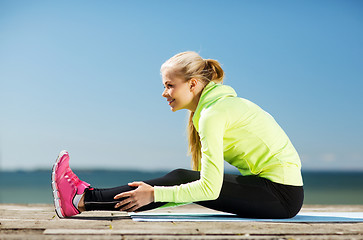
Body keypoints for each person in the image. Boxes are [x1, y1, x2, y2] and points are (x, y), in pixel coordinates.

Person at [51, 51, 304, 219]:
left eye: (170, 85)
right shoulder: (214, 108)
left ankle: (82, 199)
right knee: (178, 178)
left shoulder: (213, 114)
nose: (164, 93)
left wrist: (155, 194)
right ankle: (83, 197)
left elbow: (209, 188)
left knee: (177, 178)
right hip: (273, 190)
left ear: (193, 84)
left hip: (280, 195)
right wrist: (157, 195)